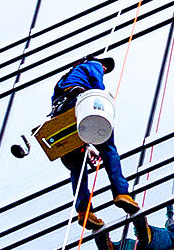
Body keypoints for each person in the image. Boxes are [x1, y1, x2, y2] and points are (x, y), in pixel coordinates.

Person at [53, 55, 138, 230]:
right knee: (108, 149)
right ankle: (121, 193)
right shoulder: (93, 65)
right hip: (76, 106)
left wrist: (88, 146)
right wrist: (102, 98)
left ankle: (84, 212)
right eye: (105, 68)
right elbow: (97, 87)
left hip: (61, 118)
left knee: (77, 166)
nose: (104, 70)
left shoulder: (62, 81)